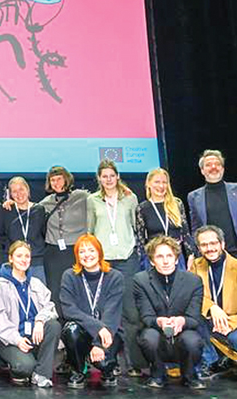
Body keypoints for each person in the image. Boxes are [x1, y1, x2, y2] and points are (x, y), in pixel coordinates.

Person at [86, 159, 142, 375]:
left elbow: (137, 227)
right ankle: (110, 361)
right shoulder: (92, 200)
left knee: (131, 313)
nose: (108, 179)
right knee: (107, 313)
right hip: (104, 262)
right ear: (99, 179)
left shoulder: (130, 198)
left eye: (112, 175)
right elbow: (90, 230)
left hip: (127, 258)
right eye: (104, 176)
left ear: (117, 176)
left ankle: (135, 363)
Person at [134, 236, 206, 389]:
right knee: (148, 337)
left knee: (193, 341)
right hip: (157, 332)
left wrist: (181, 321)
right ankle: (157, 374)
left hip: (183, 333)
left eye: (169, 256)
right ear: (152, 261)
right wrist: (159, 321)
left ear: (176, 259)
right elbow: (146, 316)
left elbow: (194, 318)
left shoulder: (193, 281)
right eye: (160, 256)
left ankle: (190, 375)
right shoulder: (141, 280)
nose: (165, 261)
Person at [189, 225, 237, 380]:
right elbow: (192, 296)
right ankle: (212, 361)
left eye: (213, 243)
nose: (210, 248)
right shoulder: (195, 266)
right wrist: (212, 307)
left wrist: (229, 323)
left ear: (222, 244)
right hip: (210, 321)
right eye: (204, 245)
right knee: (192, 317)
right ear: (199, 248)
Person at [0, 240, 60, 387]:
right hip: (11, 339)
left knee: (54, 326)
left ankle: (41, 374)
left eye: (27, 256)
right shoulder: (0, 285)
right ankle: (22, 366)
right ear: (11, 258)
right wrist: (17, 340)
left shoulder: (35, 283)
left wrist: (40, 321)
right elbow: (1, 320)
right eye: (19, 256)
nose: (24, 260)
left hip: (34, 337)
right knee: (24, 367)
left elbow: (50, 307)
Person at [60, 234, 124, 389]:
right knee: (71, 330)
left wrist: (98, 344)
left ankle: (107, 370)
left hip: (109, 330)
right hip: (84, 331)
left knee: (104, 363)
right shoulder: (69, 276)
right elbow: (69, 310)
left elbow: (112, 313)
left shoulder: (115, 277)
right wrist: (98, 328)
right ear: (77, 256)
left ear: (100, 253)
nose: (87, 255)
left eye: (91, 250)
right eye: (82, 251)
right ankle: (78, 369)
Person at [187, 150, 237, 258]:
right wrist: (196, 254)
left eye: (217, 164)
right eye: (208, 165)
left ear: (222, 168)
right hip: (212, 254)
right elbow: (196, 229)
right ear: (202, 170)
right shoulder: (193, 197)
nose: (214, 167)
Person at [37, 166, 88, 317]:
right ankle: (61, 326)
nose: (56, 183)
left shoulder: (82, 197)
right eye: (52, 180)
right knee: (56, 290)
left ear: (67, 178)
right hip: (53, 253)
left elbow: (102, 197)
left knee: (78, 287)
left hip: (75, 250)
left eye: (59, 178)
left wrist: (123, 191)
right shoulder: (45, 203)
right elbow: (27, 209)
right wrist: (10, 203)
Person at [136, 168, 194, 270]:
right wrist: (142, 262)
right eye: (157, 182)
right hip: (155, 258)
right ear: (148, 184)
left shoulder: (177, 204)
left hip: (176, 257)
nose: (161, 186)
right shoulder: (142, 208)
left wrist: (190, 255)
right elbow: (140, 240)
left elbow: (185, 233)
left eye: (164, 182)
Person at [0, 177, 47, 282]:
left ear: (28, 190)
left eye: (21, 189)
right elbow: (1, 235)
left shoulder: (39, 210)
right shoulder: (6, 211)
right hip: (15, 263)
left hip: (36, 261)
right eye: (14, 191)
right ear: (10, 194)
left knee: (38, 294)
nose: (19, 194)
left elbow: (44, 233)